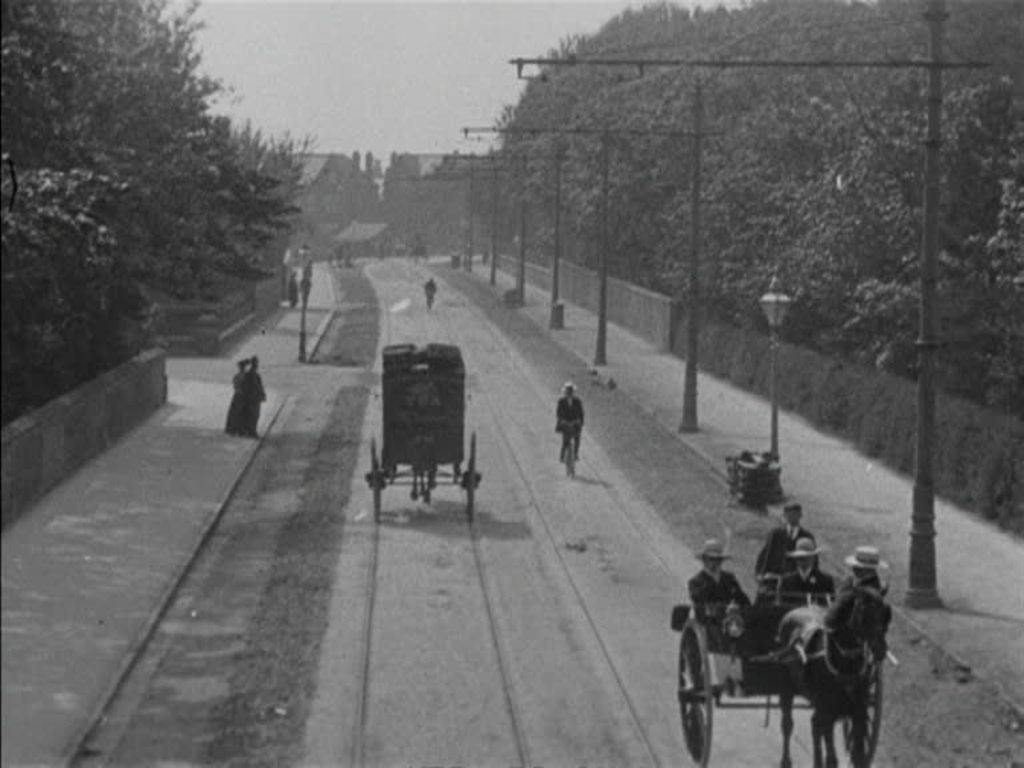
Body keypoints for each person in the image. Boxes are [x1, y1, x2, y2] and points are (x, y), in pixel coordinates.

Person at [755, 503, 815, 582]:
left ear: (800, 515)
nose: (791, 517)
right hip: (774, 578)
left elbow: (813, 559)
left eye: (794, 514)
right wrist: (760, 573)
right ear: (784, 516)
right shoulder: (776, 534)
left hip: (797, 581)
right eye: (788, 514)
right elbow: (766, 554)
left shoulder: (807, 536)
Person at [688, 538, 752, 612]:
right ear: (704, 560)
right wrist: (714, 580)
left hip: (728, 617)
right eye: (711, 559)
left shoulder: (729, 578)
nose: (715, 562)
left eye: (718, 559)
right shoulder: (695, 581)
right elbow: (699, 600)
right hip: (707, 619)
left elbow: (744, 601)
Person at [777, 538, 836, 606]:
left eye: (806, 557)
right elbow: (780, 605)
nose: (802, 561)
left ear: (813, 558)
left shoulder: (825, 580)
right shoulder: (786, 581)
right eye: (799, 558)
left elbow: (831, 606)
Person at [555, 381, 585, 463]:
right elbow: (558, 413)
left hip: (575, 423)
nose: (569, 393)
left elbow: (581, 413)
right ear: (565, 392)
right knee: (565, 441)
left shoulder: (577, 401)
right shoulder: (561, 401)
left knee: (577, 438)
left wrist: (580, 422)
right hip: (565, 423)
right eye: (567, 391)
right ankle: (562, 457)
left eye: (570, 391)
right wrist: (562, 420)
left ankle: (575, 454)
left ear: (573, 392)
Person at [241, 355, 267, 438]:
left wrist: (263, 394)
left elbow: (260, 386)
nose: (257, 365)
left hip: (255, 398)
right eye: (255, 363)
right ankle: (251, 431)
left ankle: (251, 431)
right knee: (252, 415)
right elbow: (247, 386)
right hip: (251, 399)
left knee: (255, 415)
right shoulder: (250, 375)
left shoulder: (255, 374)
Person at [225, 359, 249, 435]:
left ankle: (235, 429)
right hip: (241, 396)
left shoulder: (238, 376)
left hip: (238, 396)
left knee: (236, 413)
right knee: (240, 413)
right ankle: (239, 429)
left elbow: (235, 386)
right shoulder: (244, 376)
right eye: (243, 367)